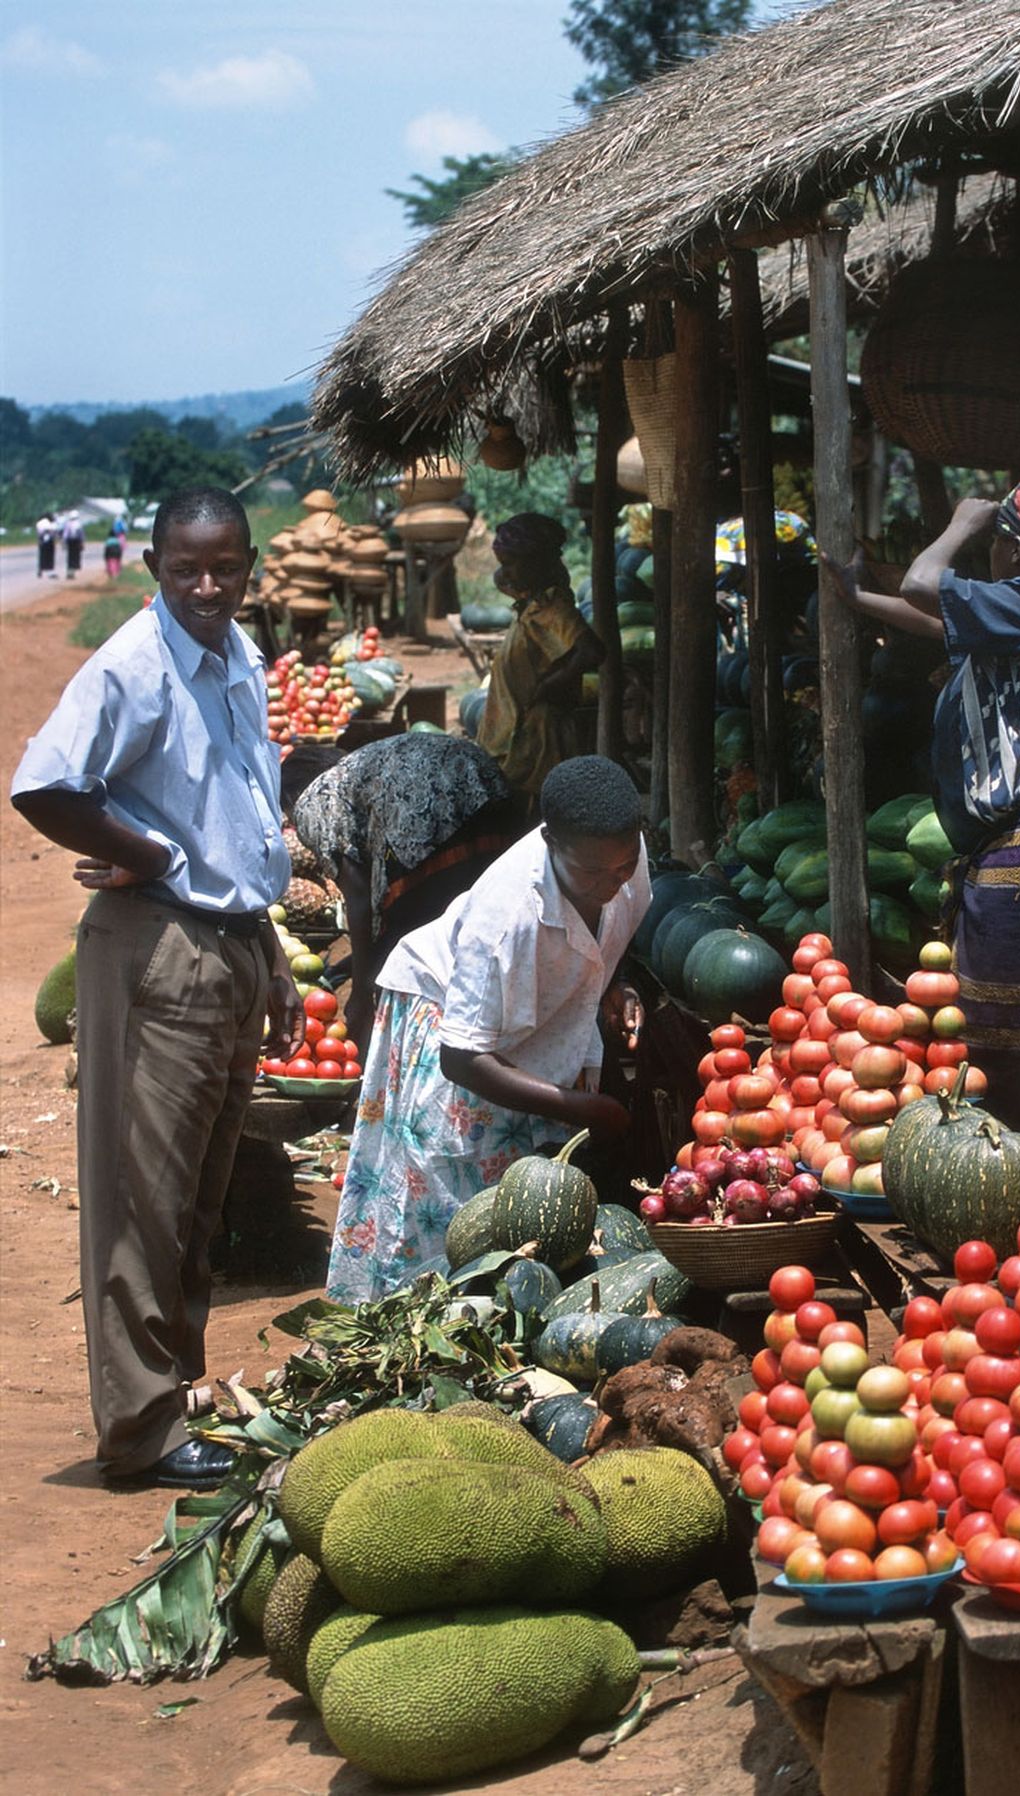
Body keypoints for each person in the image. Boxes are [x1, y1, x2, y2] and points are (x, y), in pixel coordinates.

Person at [11, 487, 304, 1490]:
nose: (208, 586)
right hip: (156, 950)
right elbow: (45, 782)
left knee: (197, 1193)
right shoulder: (133, 665)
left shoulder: (238, 657)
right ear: (156, 568)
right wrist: (144, 848)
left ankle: (175, 1396)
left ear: (250, 564)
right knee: (144, 1197)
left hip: (222, 941)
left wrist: (263, 945)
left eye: (225, 567)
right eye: (187, 570)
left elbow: (240, 807)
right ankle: (137, 1427)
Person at [827, 482, 1020, 1137]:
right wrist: (856, 599)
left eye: (994, 543)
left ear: (1012, 551)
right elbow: (935, 621)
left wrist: (963, 521)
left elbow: (922, 583)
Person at [327, 755, 650, 1305]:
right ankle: (423, 1319)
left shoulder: (624, 860)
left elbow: (604, 938)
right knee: (450, 1193)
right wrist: (578, 1106)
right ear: (549, 841)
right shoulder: (506, 913)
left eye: (621, 869)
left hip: (522, 1017)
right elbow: (462, 1057)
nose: (609, 884)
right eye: (592, 873)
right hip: (447, 1021)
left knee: (525, 1197)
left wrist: (615, 984)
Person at [282, 734, 522, 1051]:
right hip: (486, 791)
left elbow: (357, 897)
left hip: (430, 828)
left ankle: (430, 1055)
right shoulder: (360, 765)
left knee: (424, 960)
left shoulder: (313, 798)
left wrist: (361, 991)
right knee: (474, 937)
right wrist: (359, 960)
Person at [476, 512, 604, 800]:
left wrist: (551, 684)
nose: (504, 573)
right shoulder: (533, 603)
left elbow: (592, 650)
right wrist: (513, 570)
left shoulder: (552, 606)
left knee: (532, 822)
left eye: (511, 564)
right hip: (516, 737)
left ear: (537, 561)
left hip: (536, 742)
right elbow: (503, 580)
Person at [62, 510, 85, 579]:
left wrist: (64, 543)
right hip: (76, 542)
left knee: (70, 557)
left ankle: (69, 572)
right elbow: (81, 535)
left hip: (70, 542)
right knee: (75, 557)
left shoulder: (67, 524)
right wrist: (82, 543)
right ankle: (72, 573)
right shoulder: (79, 524)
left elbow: (65, 535)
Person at [36, 512, 57, 577]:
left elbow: (39, 533)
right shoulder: (50, 523)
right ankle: (50, 572)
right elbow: (53, 532)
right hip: (49, 541)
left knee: (42, 556)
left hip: (41, 541)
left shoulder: (39, 523)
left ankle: (40, 570)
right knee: (50, 557)